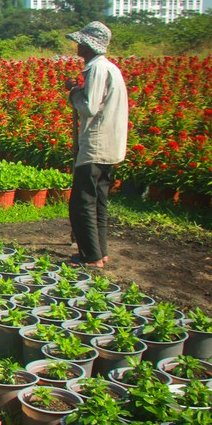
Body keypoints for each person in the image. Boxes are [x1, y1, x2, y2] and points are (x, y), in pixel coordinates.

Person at [63, 21, 128, 269]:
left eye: (80, 42)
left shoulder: (96, 69)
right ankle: (99, 252)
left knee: (82, 202)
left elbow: (89, 107)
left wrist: (73, 92)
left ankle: (91, 258)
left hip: (96, 146)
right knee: (98, 201)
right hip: (110, 146)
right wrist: (80, 88)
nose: (77, 46)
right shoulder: (110, 68)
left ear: (89, 45)